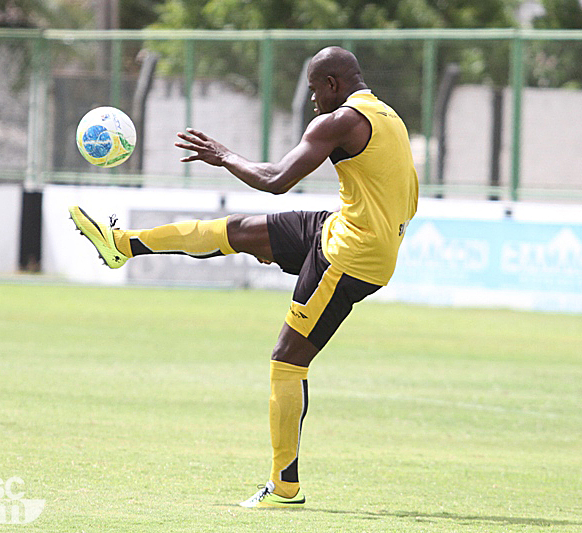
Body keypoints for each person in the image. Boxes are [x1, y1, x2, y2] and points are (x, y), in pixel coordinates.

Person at [69, 46, 419, 508]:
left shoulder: (339, 121)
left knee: (287, 359)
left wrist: (223, 155)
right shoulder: (387, 115)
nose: (312, 100)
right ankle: (123, 246)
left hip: (350, 255)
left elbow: (275, 179)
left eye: (315, 89)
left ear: (332, 84)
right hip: (346, 228)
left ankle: (284, 485)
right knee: (235, 231)